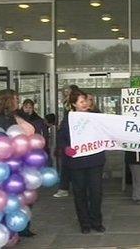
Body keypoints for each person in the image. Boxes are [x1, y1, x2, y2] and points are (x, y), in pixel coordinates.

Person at [0, 89, 37, 237]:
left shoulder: (13, 117)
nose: (18, 102)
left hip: (18, 162)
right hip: (5, 164)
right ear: (7, 101)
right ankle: (13, 228)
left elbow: (30, 131)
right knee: (10, 196)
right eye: (16, 99)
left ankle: (21, 226)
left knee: (21, 195)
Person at [57, 90, 106, 234]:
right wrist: (66, 148)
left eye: (87, 101)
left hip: (95, 160)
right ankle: (84, 223)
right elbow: (61, 138)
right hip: (76, 163)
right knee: (80, 193)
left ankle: (96, 222)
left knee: (96, 193)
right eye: (82, 101)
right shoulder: (68, 119)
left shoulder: (97, 117)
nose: (86, 104)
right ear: (74, 104)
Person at [54, 86, 79, 198]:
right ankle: (64, 187)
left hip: (77, 138)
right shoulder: (66, 106)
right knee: (66, 164)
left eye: (68, 93)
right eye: (64, 93)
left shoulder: (76, 107)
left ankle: (74, 187)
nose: (66, 95)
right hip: (68, 138)